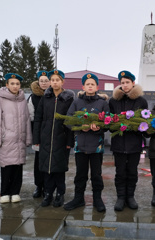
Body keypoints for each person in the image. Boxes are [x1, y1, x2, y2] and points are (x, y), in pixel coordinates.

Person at [63, 73, 109, 212]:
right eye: (87, 84)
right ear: (83, 86)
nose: (90, 86)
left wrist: (100, 126)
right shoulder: (77, 102)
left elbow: (108, 121)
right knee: (80, 174)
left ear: (97, 87)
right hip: (80, 145)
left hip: (97, 146)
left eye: (92, 84)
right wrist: (80, 127)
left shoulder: (102, 103)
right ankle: (78, 198)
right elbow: (68, 120)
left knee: (96, 174)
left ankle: (97, 199)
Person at [33, 69, 74, 208]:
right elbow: (38, 118)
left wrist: (69, 141)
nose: (55, 82)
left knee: (59, 167)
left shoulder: (68, 99)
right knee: (46, 167)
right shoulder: (46, 98)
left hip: (61, 138)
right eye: (52, 80)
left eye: (57, 80)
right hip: (45, 138)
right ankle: (48, 193)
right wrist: (37, 137)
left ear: (62, 82)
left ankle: (60, 194)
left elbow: (71, 121)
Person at [109, 70, 148, 211]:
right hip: (118, 143)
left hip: (134, 144)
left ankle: (130, 197)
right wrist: (116, 126)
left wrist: (134, 126)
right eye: (122, 83)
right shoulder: (113, 101)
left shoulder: (141, 101)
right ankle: (120, 197)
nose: (125, 85)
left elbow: (144, 122)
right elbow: (109, 122)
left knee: (132, 172)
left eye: (127, 82)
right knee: (120, 172)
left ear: (133, 83)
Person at [0, 73, 32, 204]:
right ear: (7, 85)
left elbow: (26, 120)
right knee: (6, 168)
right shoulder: (0, 100)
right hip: (6, 140)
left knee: (17, 168)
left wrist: (28, 138)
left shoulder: (22, 100)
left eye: (17, 84)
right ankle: (5, 192)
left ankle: (15, 192)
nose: (15, 86)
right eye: (12, 83)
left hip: (19, 139)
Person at [28, 70, 50, 198]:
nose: (44, 83)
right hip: (39, 134)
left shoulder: (54, 95)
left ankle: (49, 187)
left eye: (46, 80)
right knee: (38, 162)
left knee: (50, 162)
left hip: (51, 133)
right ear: (38, 82)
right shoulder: (33, 97)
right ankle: (39, 186)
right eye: (41, 81)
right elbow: (30, 117)